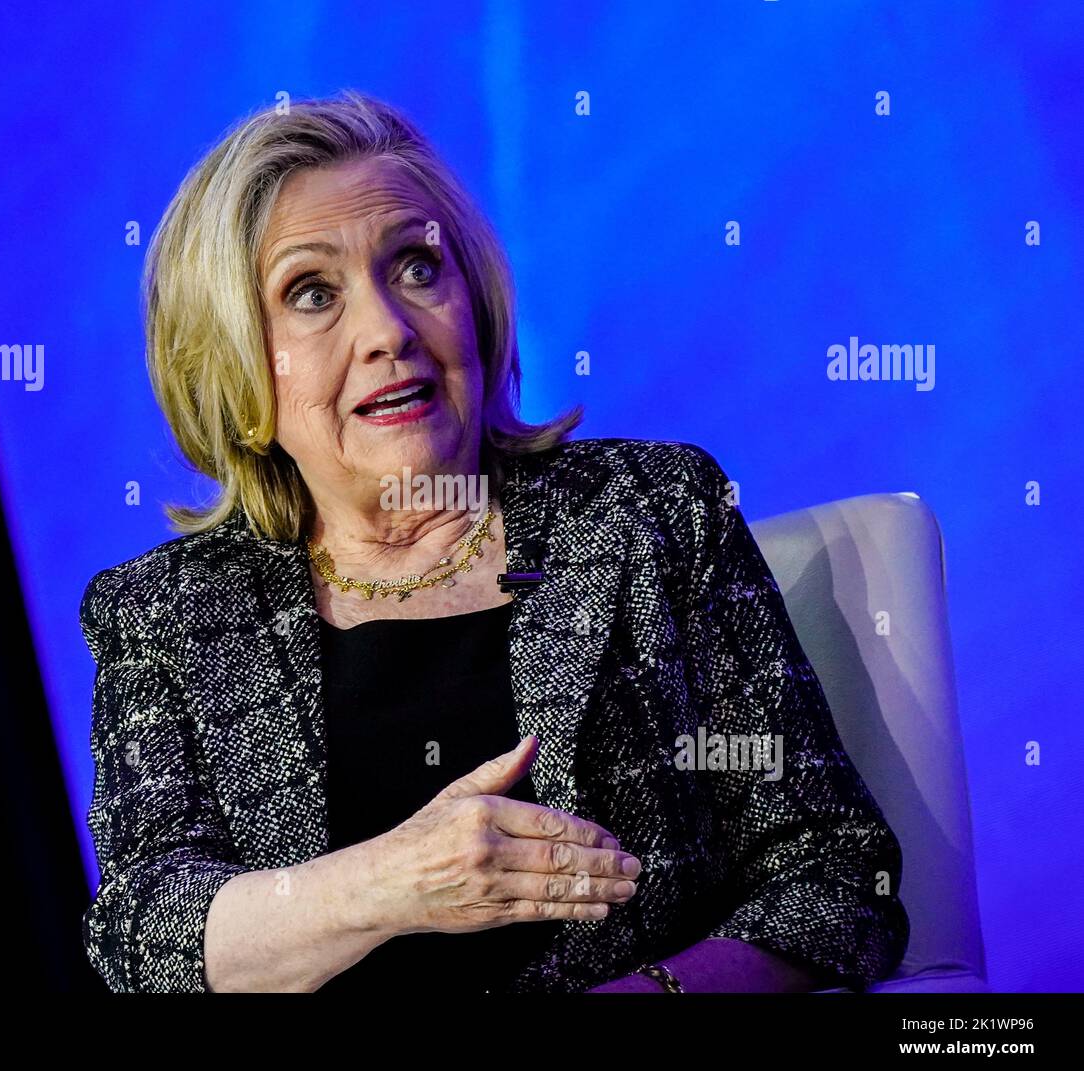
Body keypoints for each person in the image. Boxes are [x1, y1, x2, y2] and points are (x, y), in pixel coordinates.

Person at [79, 89, 909, 993]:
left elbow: (835, 876)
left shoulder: (653, 513)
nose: (387, 332)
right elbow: (143, 941)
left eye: (417, 269)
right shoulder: (166, 614)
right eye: (312, 293)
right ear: (236, 364)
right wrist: (395, 881)